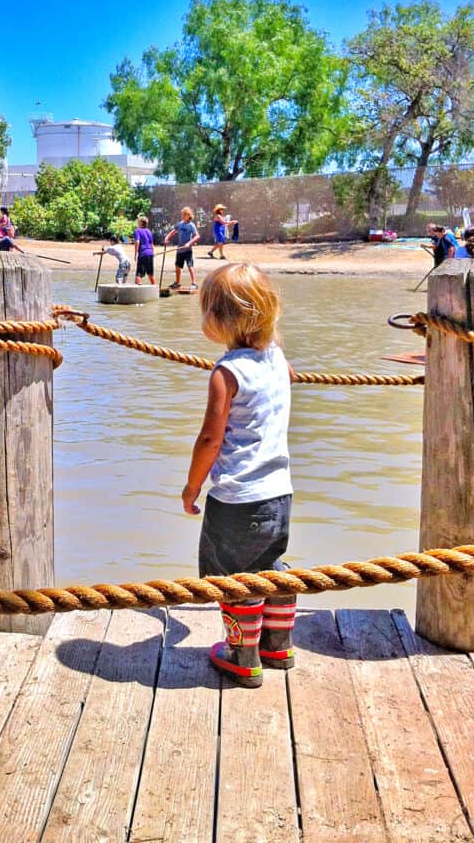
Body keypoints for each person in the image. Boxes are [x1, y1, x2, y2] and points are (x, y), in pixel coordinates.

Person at [182, 262, 296, 688]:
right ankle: (277, 644)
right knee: (271, 565)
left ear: (219, 319)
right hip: (279, 494)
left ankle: (242, 654)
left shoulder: (226, 373)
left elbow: (210, 440)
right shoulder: (278, 358)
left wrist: (192, 487)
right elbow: (286, 377)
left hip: (237, 499)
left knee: (232, 577)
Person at [164, 206, 201, 290]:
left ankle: (194, 283)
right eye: (182, 214)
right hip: (180, 250)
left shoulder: (191, 225)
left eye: (185, 214)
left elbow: (197, 236)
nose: (183, 216)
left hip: (188, 250)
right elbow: (174, 231)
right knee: (177, 267)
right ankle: (177, 283)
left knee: (190, 266)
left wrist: (189, 243)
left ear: (189, 215)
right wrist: (167, 238)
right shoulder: (180, 224)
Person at [133, 214, 155, 285]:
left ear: (140, 223)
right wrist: (153, 253)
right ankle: (155, 288)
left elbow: (137, 242)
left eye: (138, 222)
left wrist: (135, 254)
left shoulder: (137, 231)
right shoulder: (149, 231)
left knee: (139, 273)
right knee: (150, 273)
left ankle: (137, 289)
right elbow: (152, 244)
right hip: (150, 253)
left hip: (143, 254)